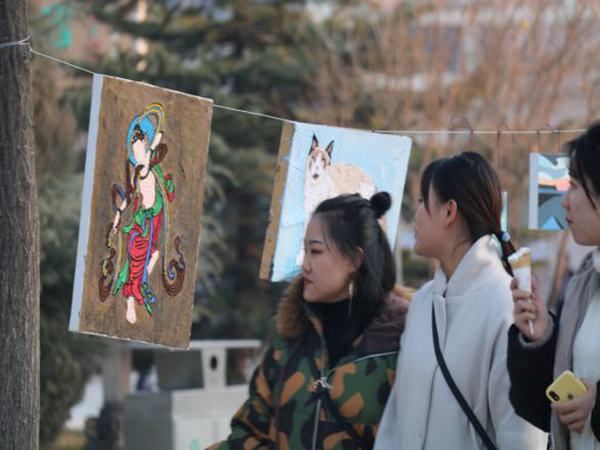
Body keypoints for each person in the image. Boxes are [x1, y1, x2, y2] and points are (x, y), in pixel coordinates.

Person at [208, 192, 410, 449]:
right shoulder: (290, 341)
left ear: (354, 259)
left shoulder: (403, 343)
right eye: (305, 251)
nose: (305, 265)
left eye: (315, 251)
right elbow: (249, 434)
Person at [375, 152, 546, 449]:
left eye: (423, 203)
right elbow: (395, 420)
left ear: (449, 212)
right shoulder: (422, 301)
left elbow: (522, 436)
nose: (416, 214)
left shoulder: (507, 306)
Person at [507, 123, 600, 449]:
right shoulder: (584, 283)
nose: (564, 201)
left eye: (573, 185)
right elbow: (545, 411)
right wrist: (541, 337)